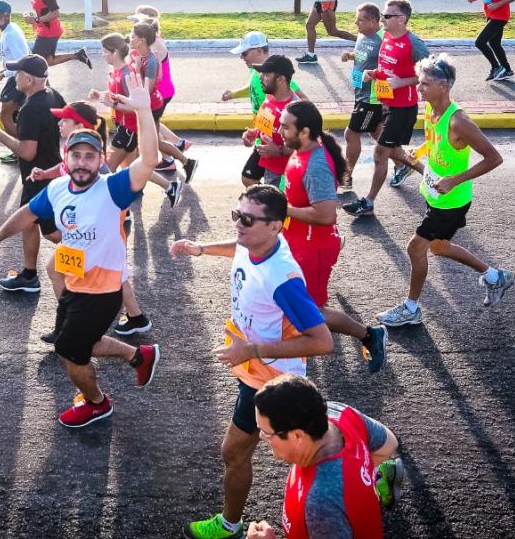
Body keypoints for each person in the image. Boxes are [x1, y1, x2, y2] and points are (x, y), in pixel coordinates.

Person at [0, 72, 161, 429]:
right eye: (75, 155)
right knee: (77, 341)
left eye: (90, 157)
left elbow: (149, 161)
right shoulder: (59, 187)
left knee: (69, 352)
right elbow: (28, 213)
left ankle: (97, 402)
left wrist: (143, 112)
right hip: (74, 281)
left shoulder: (113, 188)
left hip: (103, 290)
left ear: (100, 160)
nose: (82, 162)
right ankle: (139, 355)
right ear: (66, 156)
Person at [171, 185, 335, 539]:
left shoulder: (283, 279)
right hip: (250, 364)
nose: (238, 225)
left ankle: (230, 526)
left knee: (241, 451)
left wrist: (252, 350)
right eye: (236, 215)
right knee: (308, 443)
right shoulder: (256, 243)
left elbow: (322, 341)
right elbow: (238, 250)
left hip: (271, 378)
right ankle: (376, 468)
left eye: (247, 219)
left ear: (276, 226)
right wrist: (201, 249)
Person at [377, 55, 513, 327]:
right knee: (439, 247)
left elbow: (494, 158)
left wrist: (454, 180)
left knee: (416, 248)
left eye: (426, 84)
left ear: (444, 86)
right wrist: (422, 150)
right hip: (435, 193)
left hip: (451, 200)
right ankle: (495, 277)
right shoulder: (430, 110)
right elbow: (434, 139)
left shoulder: (459, 121)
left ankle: (412, 308)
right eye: (420, 83)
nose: (419, 88)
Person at [29, 101, 154, 338]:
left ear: (79, 125)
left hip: (104, 228)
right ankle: (134, 317)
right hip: (88, 233)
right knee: (103, 273)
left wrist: (143, 110)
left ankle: (70, 326)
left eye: (64, 120)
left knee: (110, 274)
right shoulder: (78, 155)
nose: (59, 123)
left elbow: (144, 168)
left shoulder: (95, 166)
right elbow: (63, 171)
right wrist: (45, 174)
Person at [279, 101, 388, 372]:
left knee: (313, 310)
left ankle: (370, 335)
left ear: (304, 131)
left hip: (313, 248)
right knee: (295, 304)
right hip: (296, 243)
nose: (279, 129)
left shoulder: (316, 165)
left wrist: (280, 208)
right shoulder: (300, 150)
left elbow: (326, 214)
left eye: (285, 126)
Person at [245, 375, 403, 539]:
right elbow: (389, 443)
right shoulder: (338, 413)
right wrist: (362, 479)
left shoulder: (321, 503)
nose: (261, 437)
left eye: (266, 432)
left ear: (298, 435)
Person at [0, 54, 66, 292]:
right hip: (49, 172)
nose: (15, 77)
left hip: (39, 178)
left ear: (29, 79)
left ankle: (93, 250)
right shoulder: (53, 94)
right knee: (29, 223)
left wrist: (0, 135)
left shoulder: (31, 109)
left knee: (54, 234)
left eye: (18, 73)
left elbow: (28, 152)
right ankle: (29, 275)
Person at [342, 0, 430, 216]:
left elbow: (433, 71)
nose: (383, 19)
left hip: (403, 107)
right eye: (383, 15)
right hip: (384, 103)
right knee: (393, 151)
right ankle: (434, 179)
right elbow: (385, 66)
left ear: (401, 19)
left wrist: (404, 82)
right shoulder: (388, 38)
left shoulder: (413, 43)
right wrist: (375, 74)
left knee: (380, 152)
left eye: (387, 16)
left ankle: (368, 202)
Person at [89, 33, 184, 207]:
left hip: (129, 129)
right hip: (122, 126)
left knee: (106, 169)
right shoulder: (117, 72)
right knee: (132, 168)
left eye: (105, 51)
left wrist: (113, 105)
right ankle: (170, 187)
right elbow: (119, 96)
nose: (102, 55)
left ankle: (110, 208)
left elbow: (136, 107)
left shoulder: (127, 74)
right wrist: (102, 95)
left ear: (115, 52)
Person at [222, 32, 305, 187]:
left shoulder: (278, 76)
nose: (242, 57)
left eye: (245, 53)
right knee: (249, 180)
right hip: (265, 139)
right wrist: (257, 131)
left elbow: (303, 103)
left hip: (281, 153)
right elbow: (253, 88)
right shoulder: (258, 74)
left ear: (259, 50)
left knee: (272, 193)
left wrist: (280, 148)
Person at [129, 21, 198, 181]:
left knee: (150, 141)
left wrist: (138, 68)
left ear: (142, 41)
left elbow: (148, 89)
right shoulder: (142, 55)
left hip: (153, 104)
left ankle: (186, 161)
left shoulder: (151, 60)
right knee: (149, 140)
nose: (130, 39)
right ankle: (180, 160)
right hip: (149, 104)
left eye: (133, 37)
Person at [338, 2, 384, 193]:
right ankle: (404, 163)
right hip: (361, 92)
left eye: (360, 20)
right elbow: (363, 54)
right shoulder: (363, 35)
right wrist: (351, 55)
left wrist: (375, 74)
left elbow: (391, 65)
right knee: (377, 134)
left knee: (351, 134)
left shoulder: (383, 39)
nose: (356, 24)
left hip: (372, 97)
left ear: (373, 21)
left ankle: (346, 177)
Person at [22, 0, 91, 70]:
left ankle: (43, 87)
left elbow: (55, 13)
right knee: (48, 61)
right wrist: (33, 17)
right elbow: (43, 8)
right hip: (46, 30)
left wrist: (36, 19)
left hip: (48, 33)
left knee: (35, 63)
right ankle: (78, 55)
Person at [242, 55, 297, 188]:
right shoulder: (269, 97)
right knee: (248, 179)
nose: (260, 77)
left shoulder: (295, 110)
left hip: (284, 172)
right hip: (267, 159)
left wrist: (279, 151)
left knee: (274, 203)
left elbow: (307, 147)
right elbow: (266, 125)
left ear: (281, 79)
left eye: (266, 74)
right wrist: (254, 133)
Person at [0, 0, 30, 164]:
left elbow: (22, 62)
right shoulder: (9, 30)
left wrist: (2, 75)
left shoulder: (11, 34)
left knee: (5, 116)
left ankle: (20, 151)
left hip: (17, 77)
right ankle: (22, 149)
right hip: (17, 76)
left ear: (7, 15)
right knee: (14, 115)